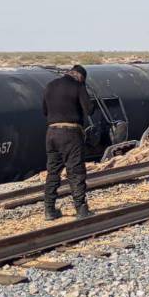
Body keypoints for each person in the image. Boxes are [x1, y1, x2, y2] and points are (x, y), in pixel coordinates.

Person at [42, 64, 95, 220]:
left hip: (51, 133)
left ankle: (49, 210)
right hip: (70, 133)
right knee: (76, 171)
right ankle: (81, 209)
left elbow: (44, 111)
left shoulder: (49, 86)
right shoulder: (77, 86)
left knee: (53, 172)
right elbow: (89, 109)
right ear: (80, 76)